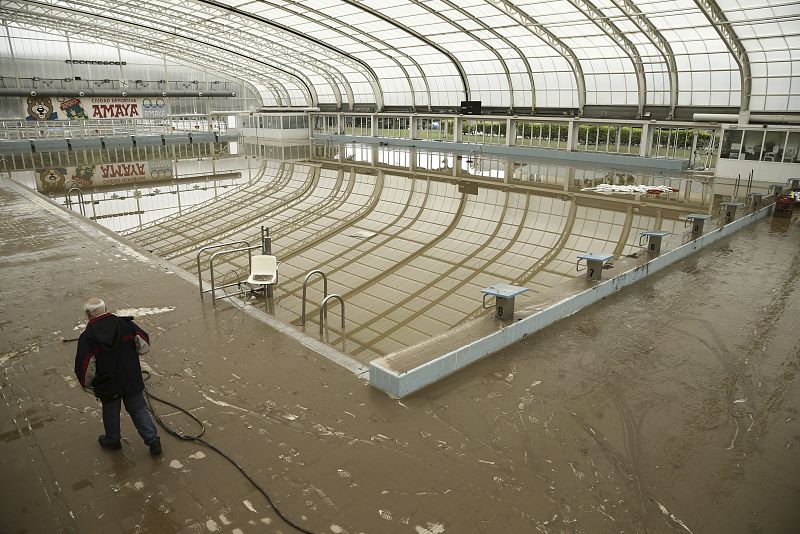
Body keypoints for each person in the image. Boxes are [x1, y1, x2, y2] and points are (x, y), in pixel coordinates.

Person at [74, 298, 161, 455]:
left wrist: (87, 384)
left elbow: (85, 367)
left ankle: (112, 440)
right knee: (138, 409)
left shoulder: (88, 337)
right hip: (131, 377)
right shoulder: (126, 325)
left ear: (87, 314)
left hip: (107, 384)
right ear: (106, 308)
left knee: (110, 411)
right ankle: (153, 441)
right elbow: (144, 346)